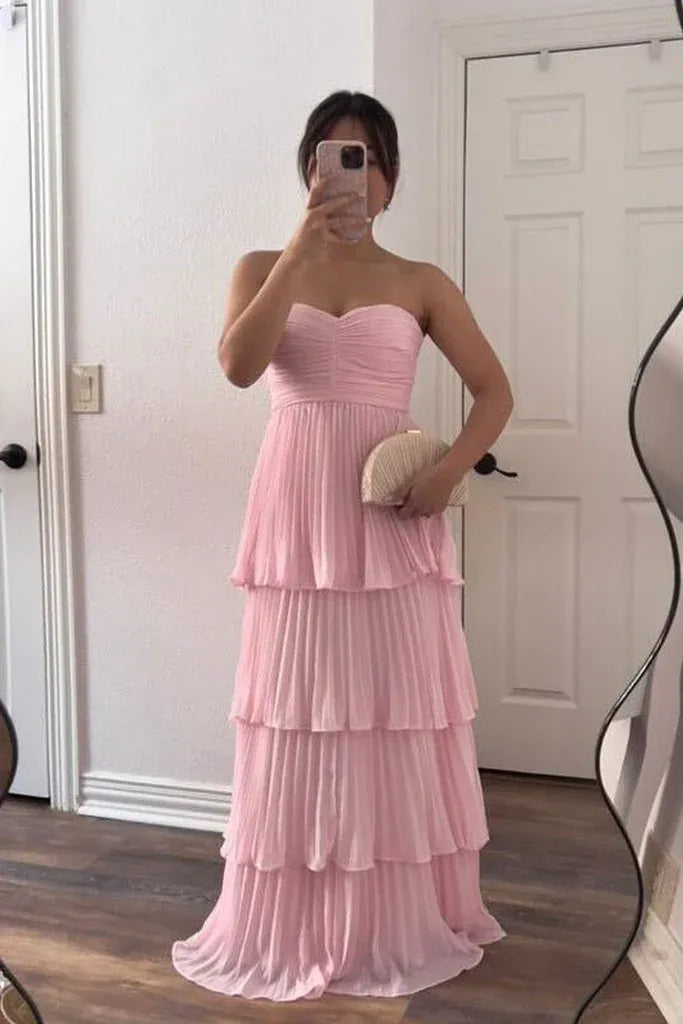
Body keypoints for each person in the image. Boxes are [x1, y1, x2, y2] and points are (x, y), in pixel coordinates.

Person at [171, 90, 513, 1001]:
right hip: (297, 513)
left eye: (366, 157)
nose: (351, 174)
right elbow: (239, 367)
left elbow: (494, 393)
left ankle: (392, 912)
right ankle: (297, 919)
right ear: (309, 169)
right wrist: (298, 248)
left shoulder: (421, 281)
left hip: (389, 509)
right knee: (299, 708)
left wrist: (447, 472)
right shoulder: (261, 266)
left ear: (390, 177)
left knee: (392, 708)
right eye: (332, 155)